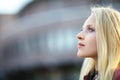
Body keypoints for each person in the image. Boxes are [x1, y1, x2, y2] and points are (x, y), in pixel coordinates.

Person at [76, 6, 120, 80]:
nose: (79, 35)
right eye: (82, 29)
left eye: (90, 29)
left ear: (110, 36)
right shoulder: (90, 76)